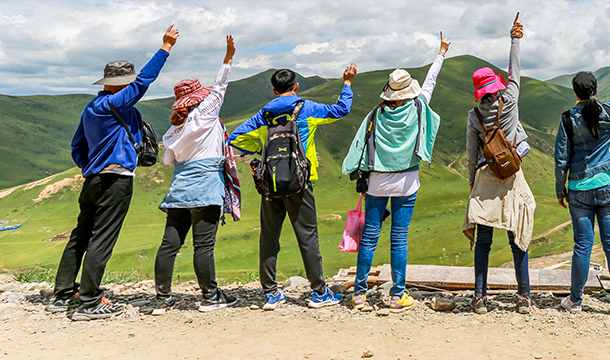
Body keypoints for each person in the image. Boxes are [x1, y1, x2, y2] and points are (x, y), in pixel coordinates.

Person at [48, 24, 180, 320]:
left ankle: (64, 293)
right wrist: (166, 47)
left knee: (81, 235)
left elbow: (76, 147)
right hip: (115, 179)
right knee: (102, 237)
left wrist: (90, 167)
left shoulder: (92, 107)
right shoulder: (115, 102)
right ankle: (90, 300)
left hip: (93, 179)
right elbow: (145, 81)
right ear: (123, 83)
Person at [228, 62, 358, 310]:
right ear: (295, 87)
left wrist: (261, 148)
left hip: (271, 183)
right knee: (308, 237)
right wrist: (347, 83)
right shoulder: (307, 108)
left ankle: (270, 294)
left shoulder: (263, 114)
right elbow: (341, 109)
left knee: (269, 237)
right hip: (301, 182)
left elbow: (234, 138)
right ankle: (320, 293)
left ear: (274, 90)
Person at [341, 34, 446, 311]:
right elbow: (431, 83)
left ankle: (359, 294)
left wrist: (353, 171)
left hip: (376, 182)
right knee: (399, 239)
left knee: (370, 237)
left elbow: (358, 148)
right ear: (409, 90)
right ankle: (398, 296)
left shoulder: (376, 114)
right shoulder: (419, 107)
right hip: (407, 182)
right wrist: (441, 53)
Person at [151, 35, 240, 315]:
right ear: (197, 100)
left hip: (179, 190)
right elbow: (220, 88)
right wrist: (228, 57)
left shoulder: (172, 132)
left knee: (169, 245)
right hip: (205, 187)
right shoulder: (205, 116)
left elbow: (168, 160)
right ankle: (210, 296)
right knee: (203, 246)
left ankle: (162, 299)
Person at [555, 32, 610, 316]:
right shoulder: (609, 110)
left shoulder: (567, 118)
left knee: (582, 247)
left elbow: (561, 158)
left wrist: (560, 190)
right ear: (596, 90)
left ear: (575, 93)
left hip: (579, 189)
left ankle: (575, 301)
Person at [463, 14, 536, 315]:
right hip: (512, 175)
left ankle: (480, 298)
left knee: (484, 240)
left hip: (484, 176)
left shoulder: (473, 116)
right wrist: (515, 38)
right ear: (496, 85)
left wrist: (471, 181)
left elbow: (470, 153)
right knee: (517, 234)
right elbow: (515, 71)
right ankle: (524, 297)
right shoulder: (512, 99)